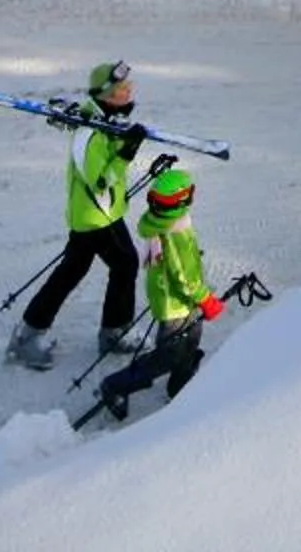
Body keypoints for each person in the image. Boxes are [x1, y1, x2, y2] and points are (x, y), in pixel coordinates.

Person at [6, 60, 147, 371]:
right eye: (124, 89)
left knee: (73, 270)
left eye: (130, 87)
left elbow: (87, 113)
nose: (130, 92)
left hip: (100, 212)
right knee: (125, 263)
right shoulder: (89, 136)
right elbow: (100, 181)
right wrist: (127, 152)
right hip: (96, 216)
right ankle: (113, 331)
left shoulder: (102, 118)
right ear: (108, 95)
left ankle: (29, 334)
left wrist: (121, 135)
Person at [92, 165, 224, 423]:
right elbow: (185, 278)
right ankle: (117, 385)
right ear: (183, 199)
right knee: (167, 355)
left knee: (191, 338)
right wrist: (206, 300)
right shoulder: (176, 233)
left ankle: (181, 385)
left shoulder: (162, 224)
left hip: (174, 299)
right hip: (175, 303)